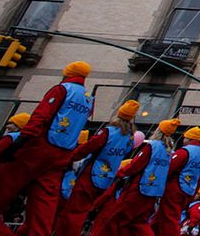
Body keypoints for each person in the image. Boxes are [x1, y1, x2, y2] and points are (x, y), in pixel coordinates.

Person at [0, 61, 94, 236]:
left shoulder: (62, 89)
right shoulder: (88, 99)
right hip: (61, 156)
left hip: (39, 148)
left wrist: (21, 141)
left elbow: (41, 115)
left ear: (67, 73)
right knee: (44, 206)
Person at [55, 99, 141, 235]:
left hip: (91, 174)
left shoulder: (109, 132)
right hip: (107, 178)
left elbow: (88, 148)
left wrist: (68, 158)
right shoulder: (128, 137)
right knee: (84, 210)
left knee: (74, 210)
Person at [90, 117, 181, 236]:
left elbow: (136, 165)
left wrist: (119, 173)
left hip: (139, 189)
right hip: (154, 191)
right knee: (139, 222)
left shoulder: (153, 146)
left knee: (118, 218)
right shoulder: (169, 150)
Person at [150, 124, 200, 236]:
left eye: (185, 137)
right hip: (188, 191)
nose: (183, 140)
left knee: (169, 219)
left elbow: (169, 168)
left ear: (189, 138)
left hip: (175, 189)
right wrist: (193, 193)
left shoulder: (185, 152)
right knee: (161, 217)